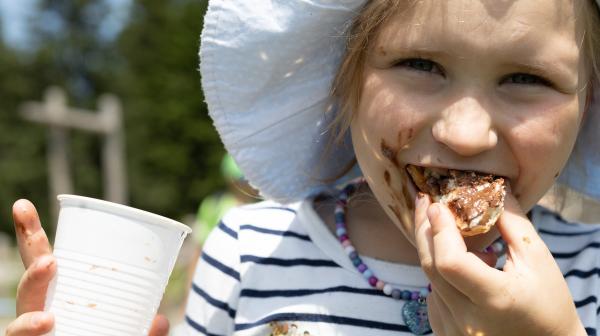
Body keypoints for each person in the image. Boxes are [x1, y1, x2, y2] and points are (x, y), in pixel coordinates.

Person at [6, 1, 600, 336]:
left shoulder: (591, 277)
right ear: (344, 84)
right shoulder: (250, 253)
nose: (465, 134)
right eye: (421, 64)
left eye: (528, 79)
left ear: (588, 107)